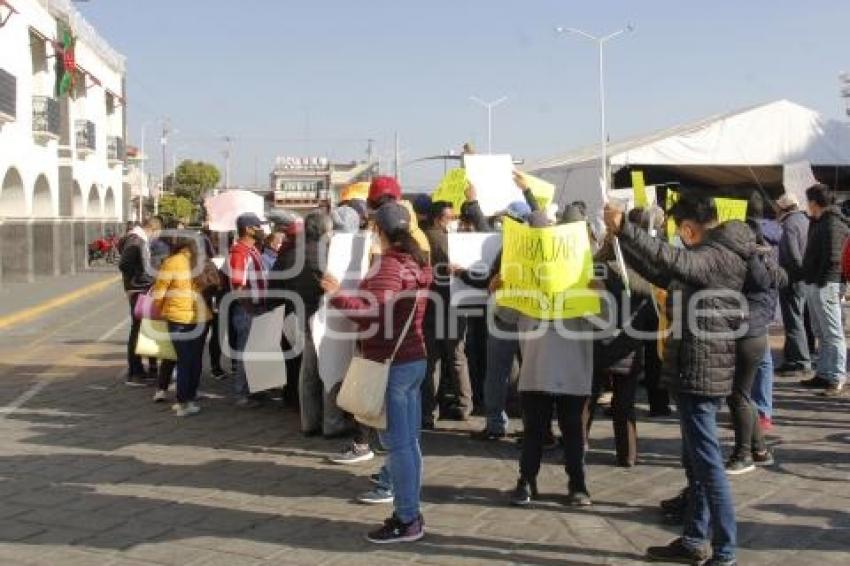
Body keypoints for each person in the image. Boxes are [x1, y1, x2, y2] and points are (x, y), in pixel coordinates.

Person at [605, 194, 753, 566]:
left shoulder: (717, 255)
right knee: (696, 463)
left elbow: (676, 261)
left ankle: (725, 550)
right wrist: (623, 240)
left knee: (708, 465)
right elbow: (666, 272)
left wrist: (628, 228)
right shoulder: (710, 254)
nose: (677, 238)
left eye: (679, 231)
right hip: (696, 366)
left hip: (701, 368)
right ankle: (694, 538)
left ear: (690, 228)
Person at [322, 201, 432, 544]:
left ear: (378, 231)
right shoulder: (416, 262)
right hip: (413, 358)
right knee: (408, 443)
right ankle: (409, 511)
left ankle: (407, 518)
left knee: (398, 446)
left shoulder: (389, 265)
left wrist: (338, 294)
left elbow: (372, 315)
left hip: (393, 364)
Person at [509, 210, 594, 507]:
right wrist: (499, 291)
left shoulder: (586, 277)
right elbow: (504, 315)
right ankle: (526, 480)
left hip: (572, 370)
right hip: (536, 369)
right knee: (534, 430)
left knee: (573, 430)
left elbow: (605, 324)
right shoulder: (523, 276)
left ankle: (578, 484)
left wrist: (597, 296)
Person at [271, 211, 350, 438]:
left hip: (302, 315)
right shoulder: (327, 255)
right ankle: (332, 422)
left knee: (308, 372)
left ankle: (309, 421)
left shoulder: (293, 254)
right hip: (324, 318)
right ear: (326, 231)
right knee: (330, 370)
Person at [725, 198, 786, 474]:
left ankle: (744, 453)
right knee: (741, 394)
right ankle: (759, 449)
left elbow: (758, 284)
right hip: (755, 330)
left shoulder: (753, 264)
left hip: (749, 332)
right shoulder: (766, 258)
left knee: (738, 395)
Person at [150, 231, 216, 417]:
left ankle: (182, 401)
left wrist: (162, 310)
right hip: (201, 317)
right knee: (195, 360)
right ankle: (190, 396)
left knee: (183, 360)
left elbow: (159, 293)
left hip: (178, 318)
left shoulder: (171, 262)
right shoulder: (202, 262)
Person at [423, 200, 473, 423]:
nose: (452, 222)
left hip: (431, 306)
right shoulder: (450, 240)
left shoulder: (422, 239)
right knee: (456, 358)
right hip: (454, 304)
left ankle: (429, 411)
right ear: (437, 219)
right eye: (449, 218)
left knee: (432, 361)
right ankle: (464, 405)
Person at [799, 184, 849, 396]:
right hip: (818, 283)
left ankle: (836, 377)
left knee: (832, 333)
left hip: (826, 284)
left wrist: (819, 281)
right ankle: (824, 373)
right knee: (821, 332)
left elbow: (834, 259)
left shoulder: (833, 224)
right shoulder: (820, 222)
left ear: (813, 202)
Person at [226, 213, 268, 406]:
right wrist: (250, 309)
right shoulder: (240, 253)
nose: (262, 230)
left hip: (255, 309)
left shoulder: (252, 250)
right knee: (246, 352)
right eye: (259, 226)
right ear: (249, 229)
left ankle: (252, 390)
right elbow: (238, 286)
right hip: (247, 310)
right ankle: (241, 393)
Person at [119, 216, 163, 387]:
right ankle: (135, 372)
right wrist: (141, 280)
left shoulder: (138, 240)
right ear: (152, 229)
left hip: (138, 289)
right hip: (138, 290)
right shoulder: (136, 241)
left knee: (141, 329)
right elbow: (125, 264)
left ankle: (140, 370)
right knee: (137, 330)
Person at [776, 193, 811, 376]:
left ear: (784, 208)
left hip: (793, 278)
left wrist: (796, 275)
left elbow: (792, 254)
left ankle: (799, 361)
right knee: (799, 318)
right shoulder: (805, 220)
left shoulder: (789, 225)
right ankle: (793, 358)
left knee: (793, 320)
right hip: (803, 278)